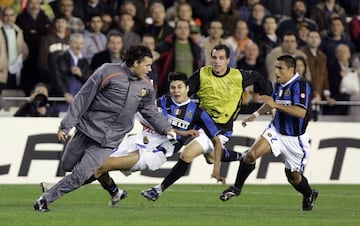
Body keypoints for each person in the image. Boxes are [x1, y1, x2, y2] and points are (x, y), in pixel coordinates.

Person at [33, 45, 176, 212]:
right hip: (86, 129)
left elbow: (150, 111)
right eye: (147, 65)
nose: (150, 69)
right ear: (136, 63)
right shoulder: (107, 71)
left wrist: (167, 128)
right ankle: (113, 190)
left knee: (81, 175)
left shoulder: (146, 86)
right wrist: (65, 127)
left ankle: (45, 200)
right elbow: (82, 98)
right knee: (67, 164)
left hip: (108, 141)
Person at [142, 44, 273, 201]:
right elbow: (183, 93)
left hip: (220, 129)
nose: (217, 61)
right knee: (210, 157)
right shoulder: (202, 75)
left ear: (228, 60)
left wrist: (268, 99)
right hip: (198, 123)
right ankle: (242, 156)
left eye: (221, 58)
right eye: (214, 58)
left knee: (187, 154)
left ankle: (158, 190)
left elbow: (260, 79)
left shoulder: (239, 76)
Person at [94, 72, 224, 206]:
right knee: (96, 166)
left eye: (180, 87)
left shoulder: (198, 113)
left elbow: (216, 141)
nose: (176, 91)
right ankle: (115, 193)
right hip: (140, 141)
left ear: (187, 88)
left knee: (100, 166)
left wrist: (215, 168)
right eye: (173, 87)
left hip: (155, 153)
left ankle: (79, 186)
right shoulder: (160, 102)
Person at [220, 55, 319, 211]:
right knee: (251, 155)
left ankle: (309, 194)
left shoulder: (301, 85)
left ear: (291, 70)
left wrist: (276, 106)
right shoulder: (279, 84)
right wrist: (255, 115)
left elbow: (301, 112)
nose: (276, 71)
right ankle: (236, 188)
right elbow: (271, 102)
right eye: (275, 67)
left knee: (293, 177)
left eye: (280, 68)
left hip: (295, 139)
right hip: (276, 131)